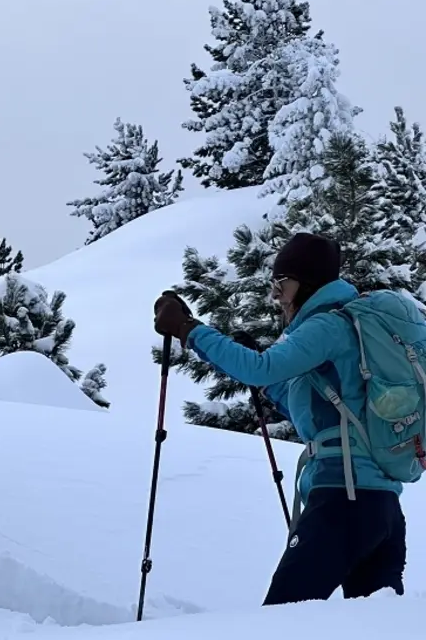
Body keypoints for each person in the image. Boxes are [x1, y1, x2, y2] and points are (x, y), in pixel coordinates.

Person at [153, 231, 407, 605]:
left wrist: (188, 330)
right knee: (374, 636)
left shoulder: (327, 325)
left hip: (343, 501)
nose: (275, 295)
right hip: (382, 508)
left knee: (279, 627)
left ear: (305, 283)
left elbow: (258, 369)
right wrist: (261, 376)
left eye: (280, 284)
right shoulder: (353, 328)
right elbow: (319, 409)